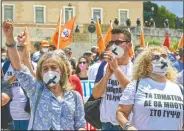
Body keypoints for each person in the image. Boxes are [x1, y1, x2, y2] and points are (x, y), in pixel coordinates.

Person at [3, 20, 86, 130]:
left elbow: (80, 125)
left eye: (53, 67)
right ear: (41, 73)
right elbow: (18, 66)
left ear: (61, 70)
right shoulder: (35, 90)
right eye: (45, 69)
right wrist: (9, 38)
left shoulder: (75, 97)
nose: (49, 71)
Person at [116, 46, 183, 130]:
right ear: (146, 66)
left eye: (164, 56)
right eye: (156, 57)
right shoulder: (135, 86)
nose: (161, 59)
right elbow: (121, 112)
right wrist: (128, 127)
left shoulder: (178, 88)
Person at [92, 28, 133, 130]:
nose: (114, 46)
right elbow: (96, 95)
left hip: (127, 125)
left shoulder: (135, 68)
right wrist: (107, 76)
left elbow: (133, 91)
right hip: (107, 124)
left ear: (129, 46)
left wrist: (116, 69)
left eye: (118, 42)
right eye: (112, 42)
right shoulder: (104, 66)